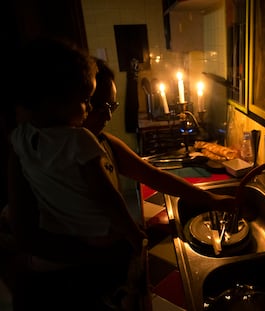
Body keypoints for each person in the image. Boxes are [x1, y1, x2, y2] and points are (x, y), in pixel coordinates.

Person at [7, 39, 235, 310]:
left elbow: (153, 176)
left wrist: (209, 199)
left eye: (111, 107)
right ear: (62, 100)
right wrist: (116, 248)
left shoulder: (100, 142)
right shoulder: (42, 150)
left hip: (101, 261)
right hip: (59, 280)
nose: (103, 115)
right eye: (94, 103)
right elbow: (28, 238)